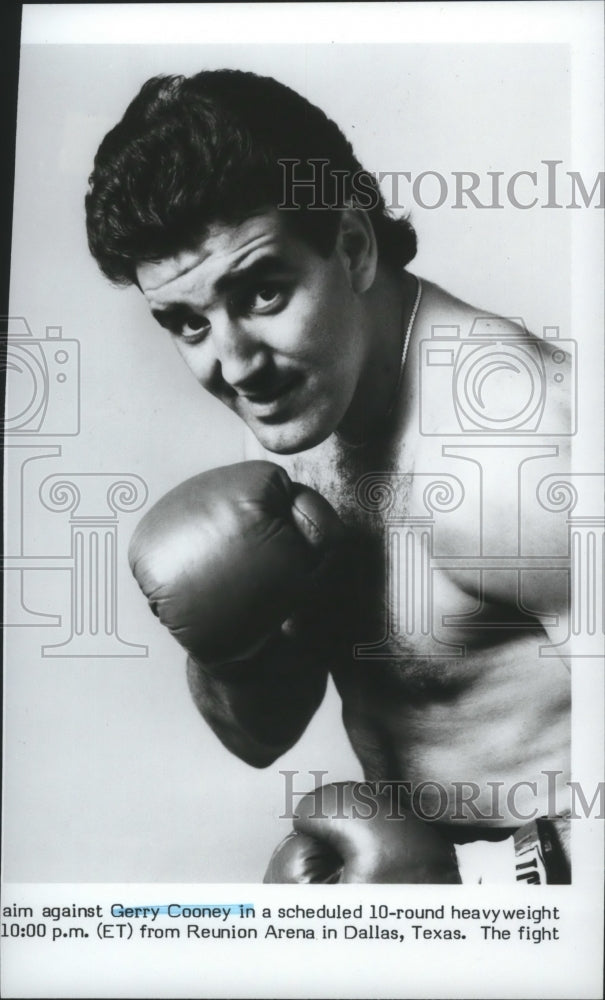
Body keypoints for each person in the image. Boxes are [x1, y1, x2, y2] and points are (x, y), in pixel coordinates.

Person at [85, 69, 572, 883]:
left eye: (264, 291)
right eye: (187, 322)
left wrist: (524, 908)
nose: (235, 365)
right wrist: (230, 651)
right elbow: (261, 735)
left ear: (349, 246)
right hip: (429, 899)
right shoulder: (302, 407)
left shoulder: (520, 458)